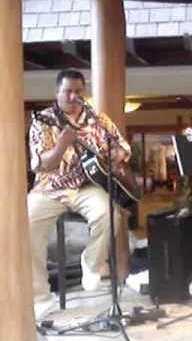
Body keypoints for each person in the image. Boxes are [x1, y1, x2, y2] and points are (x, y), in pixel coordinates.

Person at [28, 69, 131, 315]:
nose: (73, 97)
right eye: (68, 92)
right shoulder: (43, 120)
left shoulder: (98, 119)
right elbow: (42, 164)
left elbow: (124, 148)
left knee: (110, 214)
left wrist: (114, 156)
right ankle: (40, 297)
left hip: (87, 186)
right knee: (27, 225)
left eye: (78, 92)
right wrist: (62, 144)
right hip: (50, 188)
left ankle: (92, 262)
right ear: (57, 93)